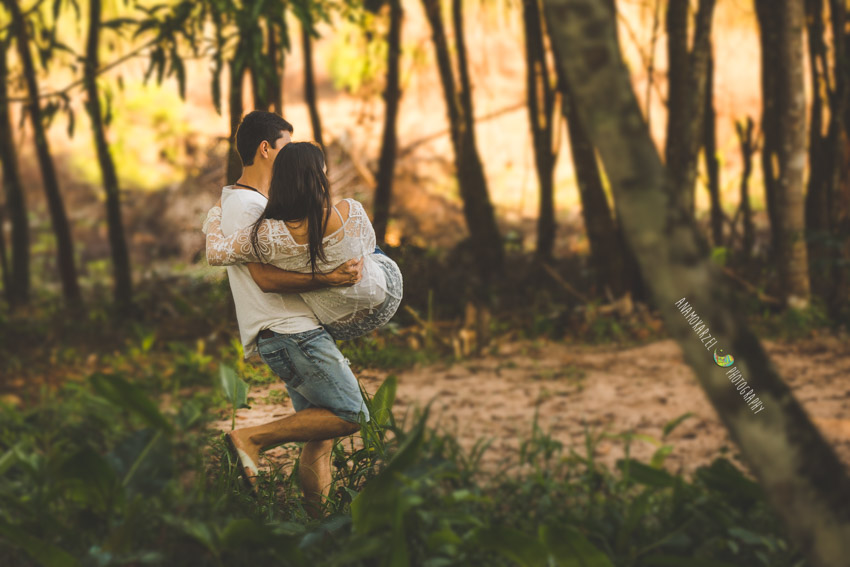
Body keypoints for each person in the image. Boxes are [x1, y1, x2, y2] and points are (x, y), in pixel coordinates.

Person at [208, 110, 369, 518]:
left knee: (320, 434)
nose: (292, 155)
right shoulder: (247, 206)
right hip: (290, 331)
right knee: (350, 414)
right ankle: (251, 438)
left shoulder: (245, 203)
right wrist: (330, 278)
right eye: (285, 146)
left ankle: (320, 523)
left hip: (287, 331)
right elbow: (265, 278)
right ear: (266, 149)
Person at [202, 145, 403, 341]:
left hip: (335, 318)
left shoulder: (265, 235)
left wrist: (215, 211)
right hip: (380, 294)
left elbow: (214, 253)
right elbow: (367, 246)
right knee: (368, 249)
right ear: (319, 178)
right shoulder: (349, 210)